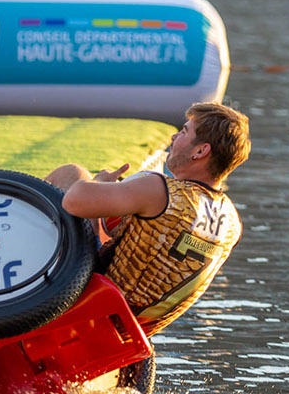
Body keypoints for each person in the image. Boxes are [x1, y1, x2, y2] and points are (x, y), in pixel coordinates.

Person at [45, 102, 250, 337]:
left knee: (73, 174)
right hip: (132, 329)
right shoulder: (232, 222)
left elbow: (74, 201)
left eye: (183, 132)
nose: (174, 136)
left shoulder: (159, 189)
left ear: (200, 151)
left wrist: (99, 184)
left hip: (90, 305)